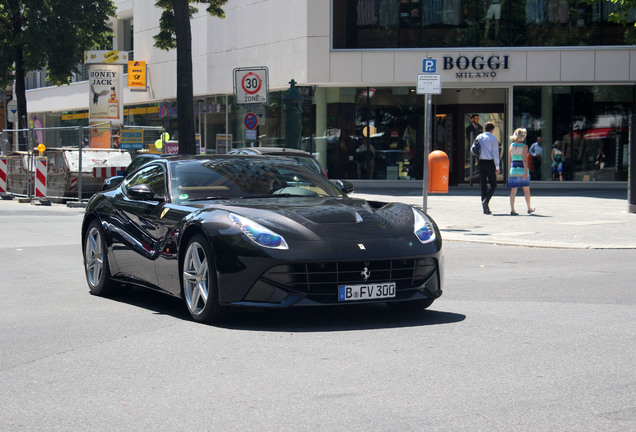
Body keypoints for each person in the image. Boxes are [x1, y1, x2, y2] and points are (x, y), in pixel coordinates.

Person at [507, 128, 535, 215]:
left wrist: (512, 168)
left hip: (513, 169)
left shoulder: (511, 146)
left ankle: (512, 209)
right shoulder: (524, 146)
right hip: (522, 169)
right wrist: (526, 172)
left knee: (513, 190)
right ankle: (529, 208)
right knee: (526, 190)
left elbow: (510, 159)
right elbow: (524, 160)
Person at [475, 121, 500, 214]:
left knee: (483, 185)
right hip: (490, 162)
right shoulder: (493, 138)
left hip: (481, 161)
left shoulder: (479, 137)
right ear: (492, 129)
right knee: (493, 184)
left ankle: (485, 208)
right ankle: (486, 201)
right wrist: (497, 166)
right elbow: (495, 153)